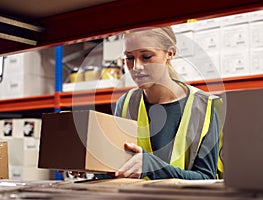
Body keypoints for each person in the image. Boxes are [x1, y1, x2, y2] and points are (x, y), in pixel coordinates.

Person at [70, 26, 223, 180]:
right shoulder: (126, 103)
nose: (136, 67)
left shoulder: (205, 106)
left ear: (170, 53)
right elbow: (120, 168)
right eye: (129, 58)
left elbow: (207, 179)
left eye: (147, 56)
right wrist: (92, 168)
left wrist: (153, 167)